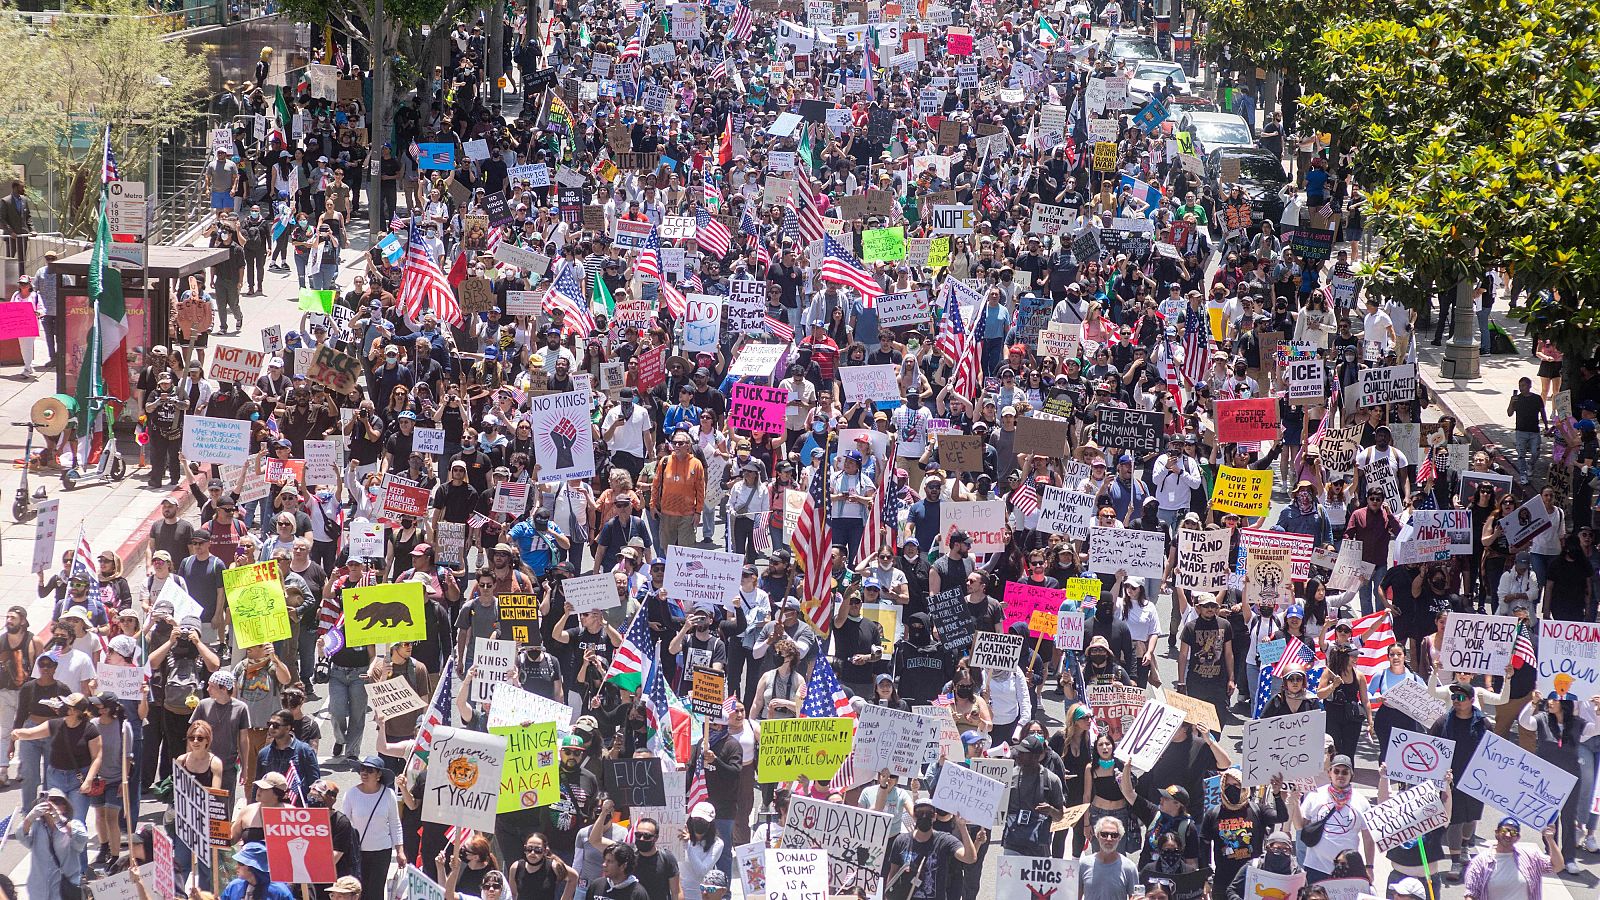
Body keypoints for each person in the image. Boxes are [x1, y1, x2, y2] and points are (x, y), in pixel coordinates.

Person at [1288, 754, 1375, 883]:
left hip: (1346, 868)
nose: (1340, 775)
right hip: (1315, 866)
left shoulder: (1362, 802)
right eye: (1336, 771)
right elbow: (1300, 826)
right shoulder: (1314, 795)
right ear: (1329, 773)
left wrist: (1369, 866)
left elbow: (1368, 838)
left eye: (1345, 772)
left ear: (1351, 775)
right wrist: (1295, 804)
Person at [881, 800, 979, 900]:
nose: (924, 816)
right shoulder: (901, 841)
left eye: (929, 813)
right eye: (920, 813)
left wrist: (962, 827)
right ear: (914, 816)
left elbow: (970, 858)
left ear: (934, 817)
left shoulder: (944, 841)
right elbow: (893, 873)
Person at [1461, 818, 1563, 900]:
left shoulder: (1531, 857)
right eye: (1505, 830)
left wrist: (1550, 839)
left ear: (1518, 837)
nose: (1508, 835)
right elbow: (1471, 894)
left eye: (1513, 832)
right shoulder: (1480, 862)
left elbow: (1557, 866)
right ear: (1496, 832)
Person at [16, 788, 89, 900]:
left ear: (65, 807)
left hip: (64, 890)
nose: (51, 805)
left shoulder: (74, 825)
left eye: (57, 801)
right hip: (38, 891)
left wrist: (59, 819)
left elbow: (81, 838)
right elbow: (21, 836)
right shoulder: (37, 827)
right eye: (48, 801)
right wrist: (30, 817)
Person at [1079, 815, 1140, 900]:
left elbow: (1135, 897)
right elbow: (1075, 895)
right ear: (1097, 835)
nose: (1109, 839)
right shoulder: (1083, 864)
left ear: (1120, 838)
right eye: (1104, 834)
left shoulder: (1129, 868)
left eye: (1114, 835)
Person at [220, 841, 296, 900]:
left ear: (253, 867)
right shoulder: (234, 886)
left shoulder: (279, 891)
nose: (237, 867)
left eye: (241, 863)